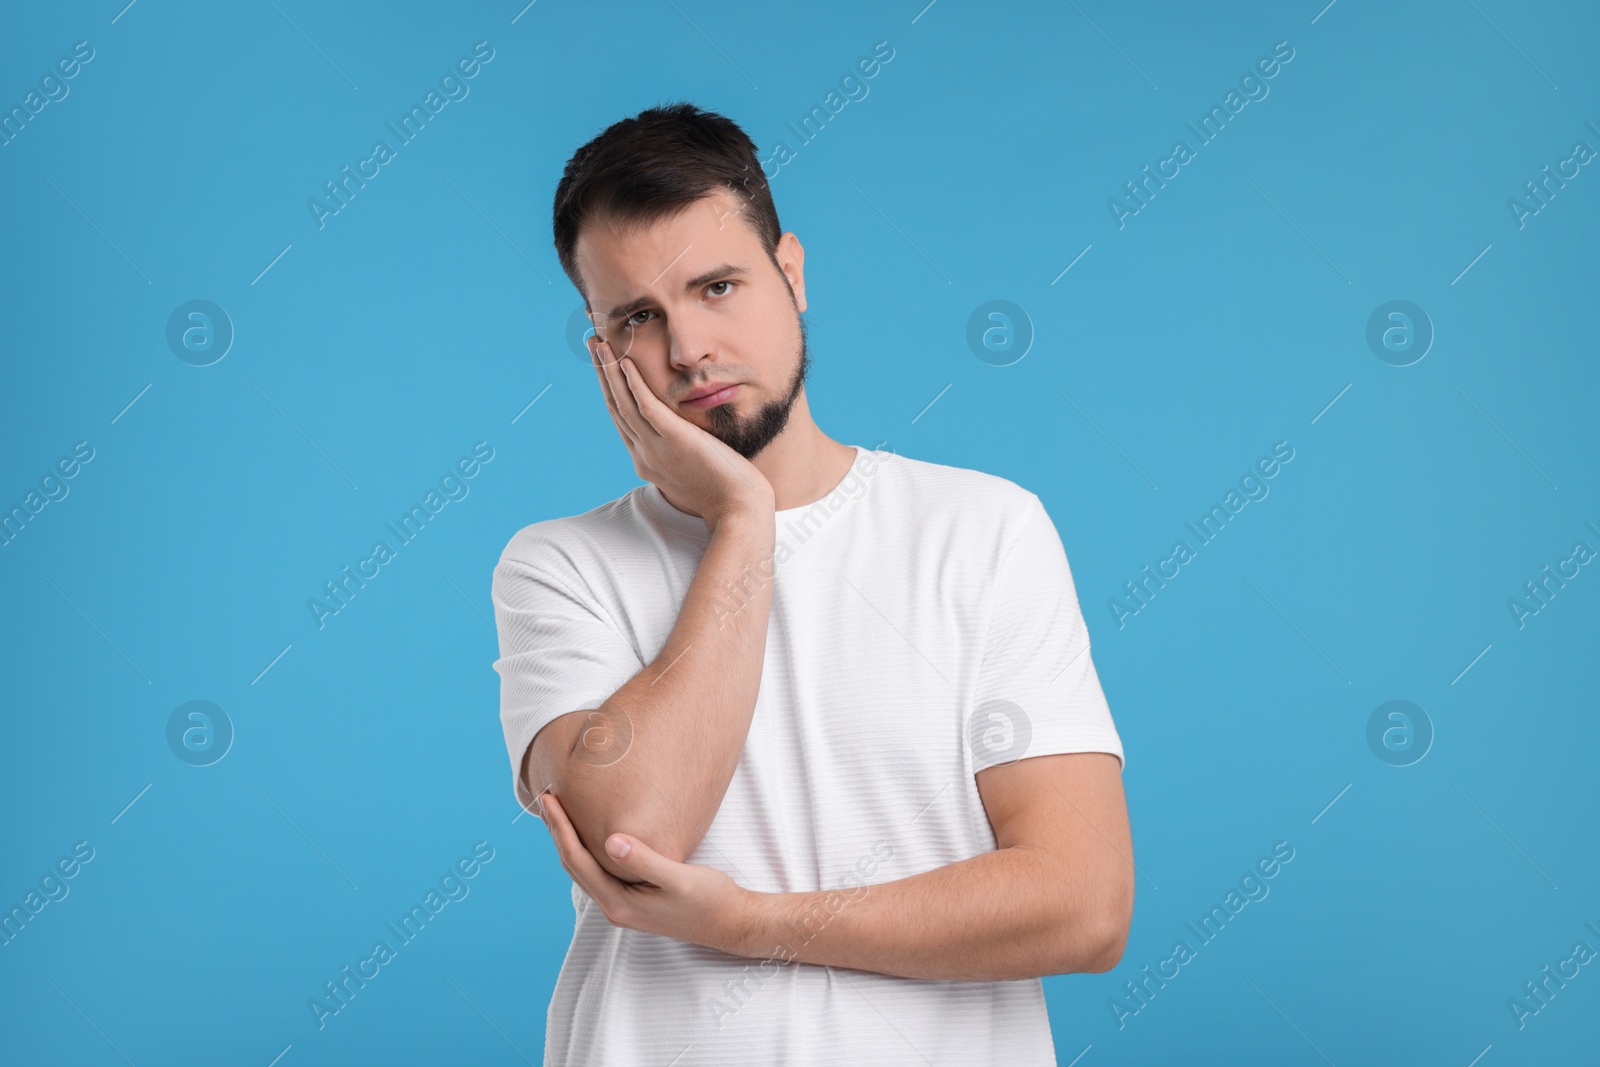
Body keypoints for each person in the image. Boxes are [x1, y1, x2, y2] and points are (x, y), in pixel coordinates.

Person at [491, 101, 1134, 1066]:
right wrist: (744, 526)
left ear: (791, 274)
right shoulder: (559, 566)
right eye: (638, 317)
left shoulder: (983, 529)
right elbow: (637, 829)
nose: (688, 349)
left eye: (717, 286)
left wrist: (756, 923)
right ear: (602, 353)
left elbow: (1084, 905)